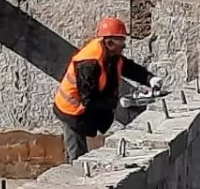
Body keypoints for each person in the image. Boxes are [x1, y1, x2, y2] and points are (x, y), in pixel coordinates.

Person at [52, 17, 162, 163]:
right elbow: (89, 100)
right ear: (109, 42)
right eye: (121, 41)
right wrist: (114, 102)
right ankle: (75, 178)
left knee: (80, 151)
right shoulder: (88, 63)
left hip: (82, 108)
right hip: (71, 109)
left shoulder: (110, 53)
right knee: (77, 155)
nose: (124, 45)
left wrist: (149, 78)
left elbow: (127, 67)